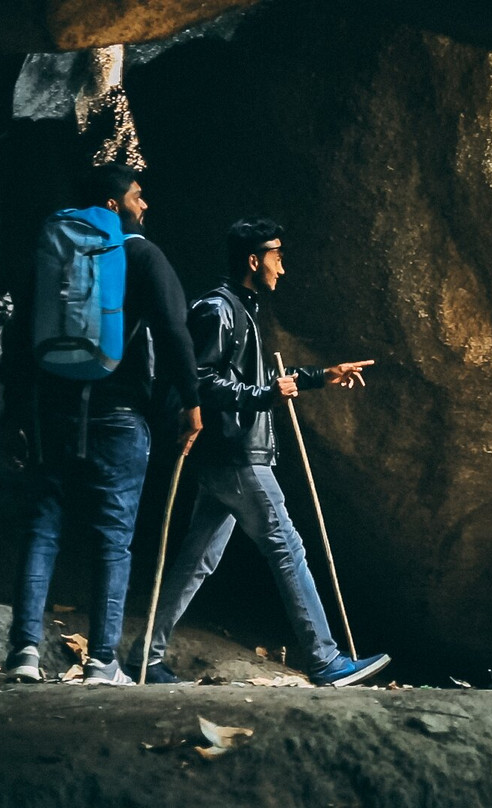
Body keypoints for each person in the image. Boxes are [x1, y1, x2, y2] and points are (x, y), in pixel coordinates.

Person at [128, 216, 389, 687]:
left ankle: (145, 654)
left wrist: (320, 376)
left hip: (227, 455)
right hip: (236, 455)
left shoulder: (239, 309)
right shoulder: (218, 309)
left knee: (197, 560)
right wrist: (263, 396)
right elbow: (200, 380)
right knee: (287, 547)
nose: (282, 268)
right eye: (277, 256)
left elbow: (255, 380)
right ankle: (325, 660)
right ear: (254, 259)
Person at [2, 163, 202, 685]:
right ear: (113, 204)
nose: (144, 205)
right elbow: (174, 331)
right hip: (118, 415)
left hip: (51, 412)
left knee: (42, 526)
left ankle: (23, 652)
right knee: (112, 537)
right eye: (138, 196)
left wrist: (15, 413)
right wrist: (191, 401)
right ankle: (102, 662)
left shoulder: (52, 254)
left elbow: (19, 336)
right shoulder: (141, 254)